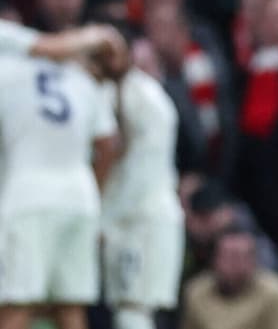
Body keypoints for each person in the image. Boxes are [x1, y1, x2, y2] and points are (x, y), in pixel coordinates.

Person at [0, 45, 120, 329]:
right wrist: (95, 190)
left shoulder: (6, 72)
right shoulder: (81, 77)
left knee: (17, 303)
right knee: (71, 305)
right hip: (80, 199)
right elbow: (108, 144)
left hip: (26, 197)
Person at [100, 38, 185, 329]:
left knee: (132, 309)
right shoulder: (148, 95)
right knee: (135, 309)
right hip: (150, 213)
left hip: (138, 216)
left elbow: (127, 161)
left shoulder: (135, 94)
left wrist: (103, 219)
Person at [180, 225, 278, 329]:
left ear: (255, 260)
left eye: (241, 257)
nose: (235, 264)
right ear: (214, 259)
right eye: (229, 257)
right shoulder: (196, 292)